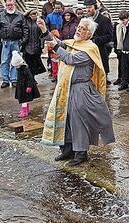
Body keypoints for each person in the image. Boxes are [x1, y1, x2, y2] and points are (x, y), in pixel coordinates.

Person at [38, 17, 115, 166]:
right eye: (79, 27)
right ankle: (67, 149)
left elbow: (69, 59)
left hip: (81, 89)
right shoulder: (73, 43)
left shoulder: (90, 49)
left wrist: (55, 47)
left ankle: (81, 153)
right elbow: (59, 43)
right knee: (65, 118)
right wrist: (43, 29)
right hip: (66, 87)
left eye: (83, 28)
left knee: (78, 120)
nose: (79, 29)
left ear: (89, 34)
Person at [84, 0, 113, 84]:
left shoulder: (104, 20)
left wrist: (96, 40)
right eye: (86, 7)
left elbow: (109, 36)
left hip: (100, 50)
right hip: (88, 51)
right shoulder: (85, 20)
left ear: (95, 7)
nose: (88, 9)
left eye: (90, 7)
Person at [0, 0, 26, 88]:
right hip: (5, 41)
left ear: (15, 5)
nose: (10, 7)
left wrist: (22, 41)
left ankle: (14, 79)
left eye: (11, 5)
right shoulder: (1, 15)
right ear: (6, 6)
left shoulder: (20, 15)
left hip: (16, 42)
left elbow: (25, 29)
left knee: (16, 61)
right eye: (8, 5)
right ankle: (5, 80)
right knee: (4, 61)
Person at [10, 50, 40, 118]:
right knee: (25, 99)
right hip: (22, 86)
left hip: (25, 87)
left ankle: (24, 111)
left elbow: (30, 78)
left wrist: (29, 86)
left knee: (24, 99)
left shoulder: (25, 69)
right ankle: (26, 109)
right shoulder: (20, 69)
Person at [114, 10, 129, 91]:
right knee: (124, 68)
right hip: (123, 49)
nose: (123, 22)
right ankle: (125, 82)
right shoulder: (120, 26)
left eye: (124, 20)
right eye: (121, 20)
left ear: (128, 18)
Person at [22, 9, 46, 81]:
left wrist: (42, 45)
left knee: (35, 64)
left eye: (36, 14)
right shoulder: (25, 21)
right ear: (29, 15)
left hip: (36, 46)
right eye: (33, 14)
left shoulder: (39, 22)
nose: (34, 15)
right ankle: (29, 78)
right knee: (28, 63)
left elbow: (43, 34)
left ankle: (33, 77)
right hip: (27, 46)